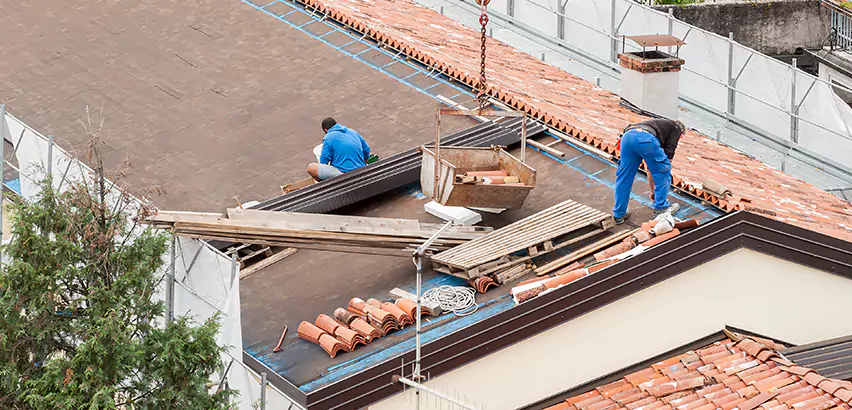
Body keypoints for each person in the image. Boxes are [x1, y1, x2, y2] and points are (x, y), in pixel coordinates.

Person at [612, 118, 685, 224]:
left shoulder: (659, 125)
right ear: (681, 133)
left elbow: (650, 170)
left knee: (624, 177)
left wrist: (653, 192)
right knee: (664, 171)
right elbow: (666, 161)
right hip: (645, 139)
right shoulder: (676, 128)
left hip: (627, 137)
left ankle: (619, 213)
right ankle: (661, 209)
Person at [307, 118, 371, 181]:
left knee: (311, 168)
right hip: (360, 169)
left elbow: (324, 160)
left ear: (326, 130)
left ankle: (329, 184)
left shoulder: (328, 137)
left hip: (343, 174)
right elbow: (366, 150)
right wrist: (363, 165)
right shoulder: (353, 132)